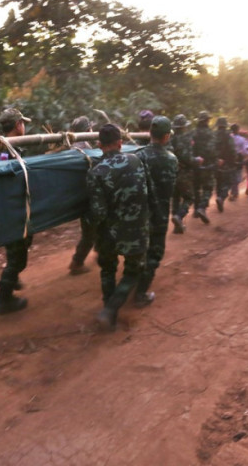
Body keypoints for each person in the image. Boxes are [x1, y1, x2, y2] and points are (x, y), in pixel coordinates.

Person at [86, 124, 150, 331]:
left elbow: (98, 213)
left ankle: (109, 317)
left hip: (110, 233)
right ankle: (110, 309)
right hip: (136, 230)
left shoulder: (96, 172)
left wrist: (95, 234)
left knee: (107, 270)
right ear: (120, 143)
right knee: (133, 270)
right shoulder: (136, 160)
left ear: (99, 145)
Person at [134, 116, 178, 307]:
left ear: (149, 134)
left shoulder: (138, 156)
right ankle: (140, 293)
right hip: (159, 214)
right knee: (155, 252)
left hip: (138, 214)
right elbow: (171, 186)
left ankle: (131, 280)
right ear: (166, 136)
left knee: (138, 249)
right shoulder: (171, 160)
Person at [0, 107, 33, 314]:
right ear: (18, 125)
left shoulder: (5, 147)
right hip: (12, 212)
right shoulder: (6, 151)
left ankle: (12, 279)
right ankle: (4, 300)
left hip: (12, 210)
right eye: (23, 123)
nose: (24, 126)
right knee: (18, 258)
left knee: (19, 250)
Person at [67, 115, 95, 275]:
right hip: (89, 196)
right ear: (87, 130)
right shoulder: (85, 148)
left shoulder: (72, 147)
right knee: (90, 232)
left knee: (93, 229)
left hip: (80, 194)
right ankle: (77, 262)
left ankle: (98, 251)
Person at [169, 114, 202, 234]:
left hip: (172, 173)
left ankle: (177, 227)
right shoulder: (185, 139)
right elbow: (187, 158)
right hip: (184, 173)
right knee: (189, 197)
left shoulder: (170, 139)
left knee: (176, 198)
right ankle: (179, 216)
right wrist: (197, 160)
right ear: (183, 127)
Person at [191, 111, 217, 223]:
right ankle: (202, 207)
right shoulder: (210, 134)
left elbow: (189, 148)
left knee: (196, 187)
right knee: (208, 187)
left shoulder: (193, 133)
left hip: (195, 164)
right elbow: (212, 150)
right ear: (207, 121)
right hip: (207, 164)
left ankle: (196, 210)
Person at [213, 117, 237, 212]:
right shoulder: (228, 136)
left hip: (215, 163)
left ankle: (219, 198)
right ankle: (221, 197)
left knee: (218, 182)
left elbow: (209, 149)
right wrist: (233, 160)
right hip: (226, 163)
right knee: (228, 182)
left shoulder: (213, 135)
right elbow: (232, 150)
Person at [229, 123, 248, 200]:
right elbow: (244, 151)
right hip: (238, 158)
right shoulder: (241, 139)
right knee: (237, 175)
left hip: (229, 158)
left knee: (231, 174)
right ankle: (234, 193)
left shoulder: (229, 138)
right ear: (237, 130)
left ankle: (233, 192)